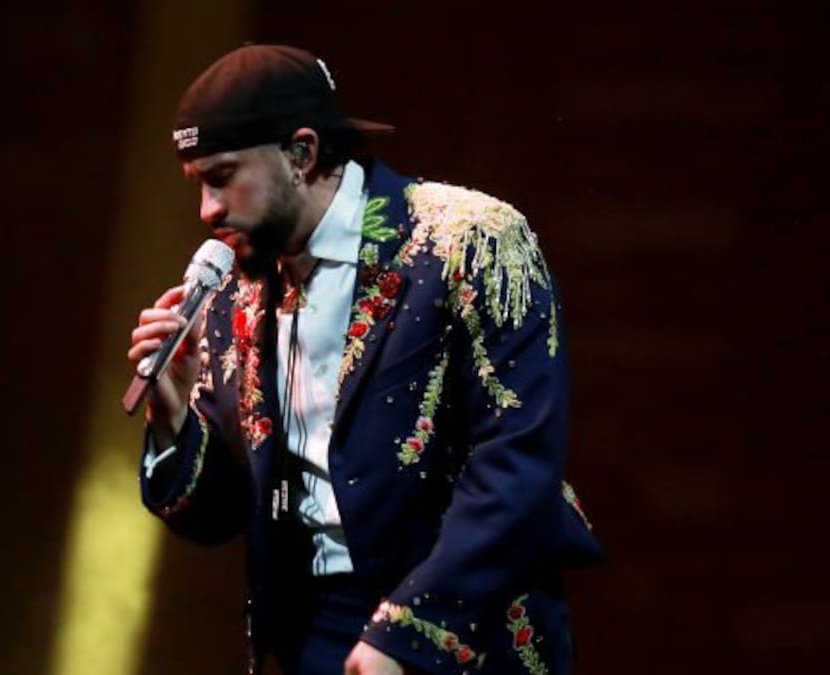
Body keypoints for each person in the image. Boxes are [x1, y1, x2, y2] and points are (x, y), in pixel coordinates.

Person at [129, 44, 602, 675]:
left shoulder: (466, 242)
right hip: (312, 633)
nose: (207, 210)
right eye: (198, 184)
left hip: (462, 625)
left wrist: (404, 635)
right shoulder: (236, 288)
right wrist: (173, 422)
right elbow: (217, 517)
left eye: (222, 177)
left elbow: (518, 460)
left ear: (301, 153)